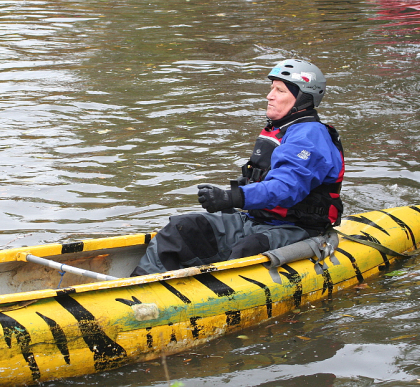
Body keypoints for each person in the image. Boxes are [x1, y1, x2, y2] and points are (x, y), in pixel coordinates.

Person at [130, 59, 345, 276]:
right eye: (272, 89)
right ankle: (139, 288)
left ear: (303, 98)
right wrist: (236, 193)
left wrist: (231, 197)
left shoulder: (309, 136)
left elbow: (285, 189)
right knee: (182, 227)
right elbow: (263, 180)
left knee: (246, 250)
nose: (269, 96)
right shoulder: (282, 130)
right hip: (256, 220)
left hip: (296, 228)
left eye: (280, 90)